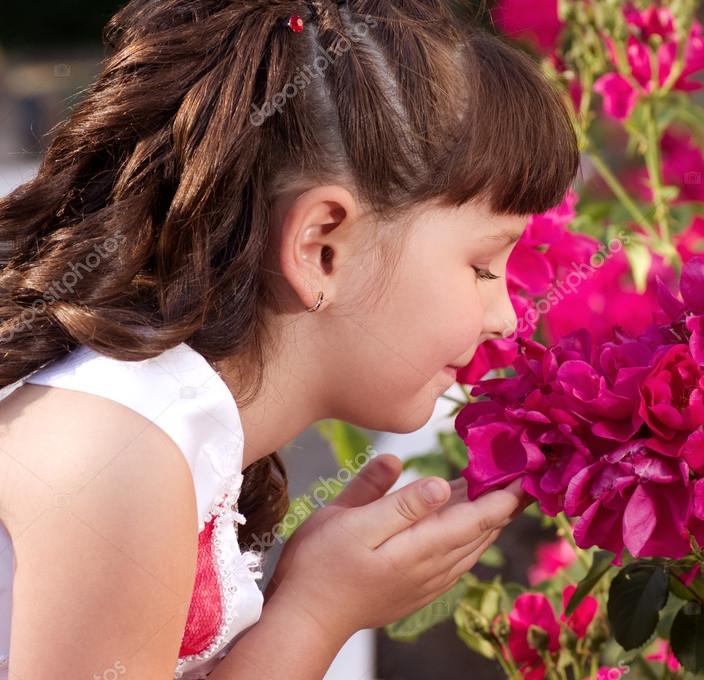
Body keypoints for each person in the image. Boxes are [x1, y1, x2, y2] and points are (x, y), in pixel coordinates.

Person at [0, 0, 579, 676]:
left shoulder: (168, 429)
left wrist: (314, 598)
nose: (507, 317)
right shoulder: (119, 452)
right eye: (482, 266)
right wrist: (316, 611)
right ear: (320, 248)